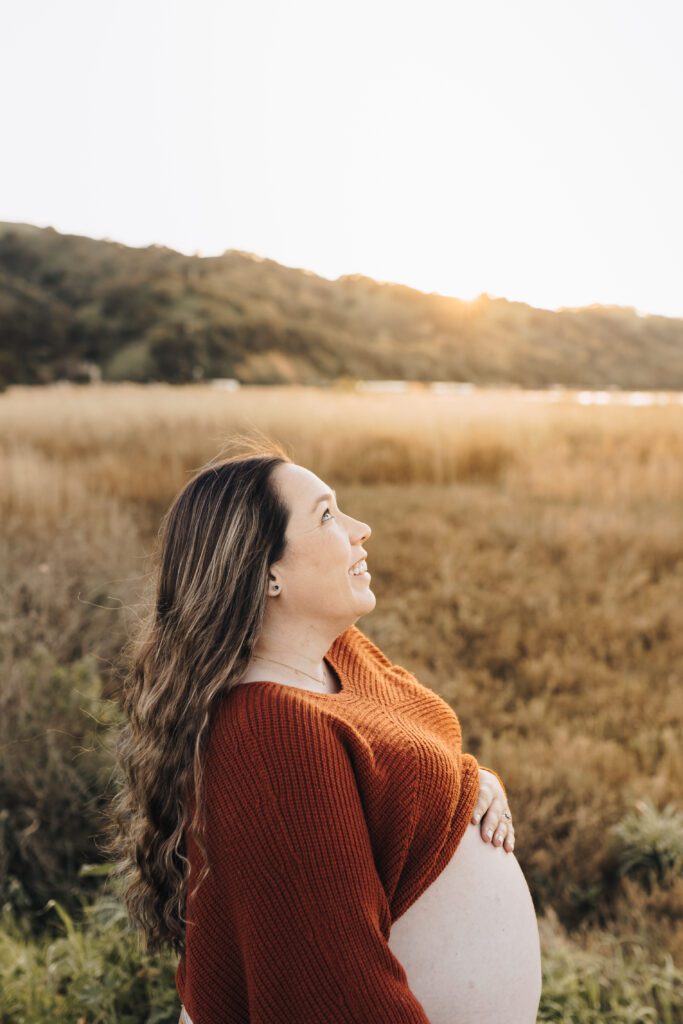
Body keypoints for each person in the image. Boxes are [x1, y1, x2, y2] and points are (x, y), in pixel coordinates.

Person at [106, 441, 541, 1024]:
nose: (362, 529)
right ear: (267, 573)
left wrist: (471, 782)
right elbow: (329, 994)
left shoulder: (339, 653)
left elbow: (402, 759)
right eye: (328, 516)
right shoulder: (268, 735)